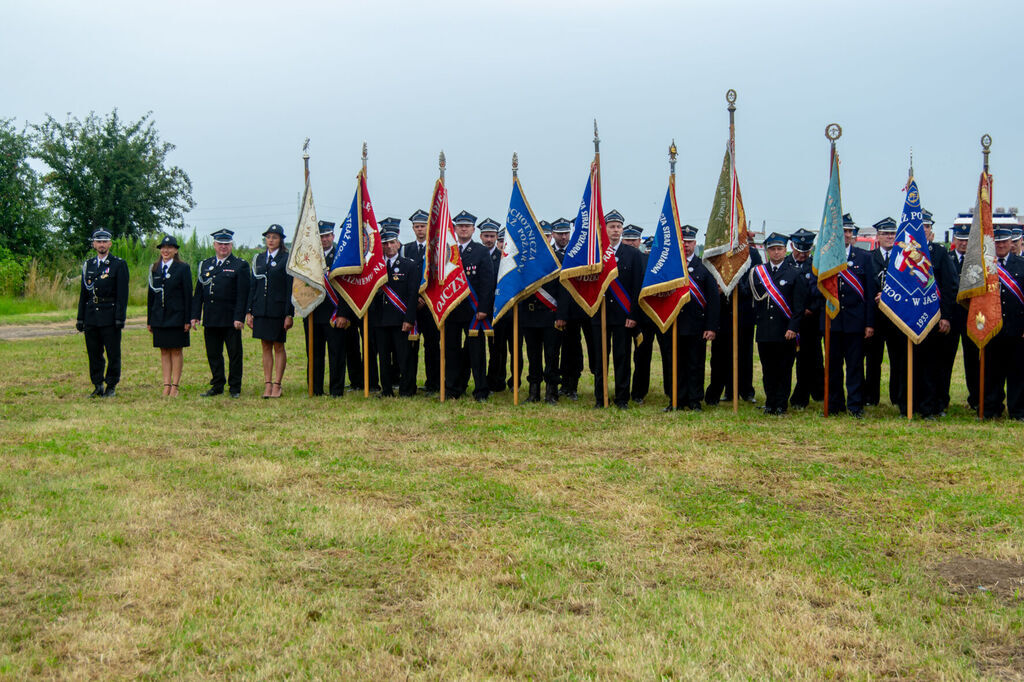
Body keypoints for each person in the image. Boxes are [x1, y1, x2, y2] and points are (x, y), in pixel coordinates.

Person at [819, 214, 875, 418]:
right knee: (833, 366)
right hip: (832, 321)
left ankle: (855, 405)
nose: (848, 234)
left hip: (855, 322)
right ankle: (834, 404)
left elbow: (869, 293)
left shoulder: (864, 258)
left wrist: (869, 323)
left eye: (850, 231)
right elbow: (817, 288)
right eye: (844, 231)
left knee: (855, 366)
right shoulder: (825, 257)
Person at [749, 233, 808, 415]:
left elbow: (799, 306)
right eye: (773, 249)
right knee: (768, 369)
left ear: (786, 250)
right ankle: (770, 402)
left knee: (783, 369)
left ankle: (781, 404)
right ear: (767, 251)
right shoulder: (759, 272)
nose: (776, 253)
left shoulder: (794, 273)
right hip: (765, 330)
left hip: (785, 331)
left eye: (779, 249)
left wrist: (793, 327)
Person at [591, 210, 643, 409]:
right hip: (599, 314)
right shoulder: (596, 252)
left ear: (622, 229)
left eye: (618, 227)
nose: (615, 230)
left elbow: (637, 287)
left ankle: (622, 398)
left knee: (622, 358)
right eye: (611, 226)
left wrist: (633, 315)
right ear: (605, 229)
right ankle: (600, 397)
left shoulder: (633, 254)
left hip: (623, 317)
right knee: (600, 359)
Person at [664, 226, 719, 410]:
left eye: (689, 242)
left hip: (697, 326)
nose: (686, 245)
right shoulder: (670, 266)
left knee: (695, 364)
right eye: (683, 241)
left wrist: (711, 327)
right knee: (675, 364)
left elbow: (713, 300)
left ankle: (695, 400)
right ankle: (676, 400)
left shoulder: (704, 268)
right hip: (674, 324)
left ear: (695, 244)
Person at [191, 228, 250, 398]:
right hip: (211, 316)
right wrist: (195, 315)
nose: (223, 247)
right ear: (214, 245)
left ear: (231, 245)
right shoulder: (205, 264)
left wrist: (239, 317)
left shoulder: (240, 265)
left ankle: (235, 387)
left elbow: (242, 294)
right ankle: (217, 384)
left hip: (230, 318)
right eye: (220, 244)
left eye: (227, 244)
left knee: (234, 354)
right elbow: (198, 293)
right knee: (213, 353)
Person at [705, 234, 760, 406]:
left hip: (743, 312)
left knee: (744, 354)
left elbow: (756, 281)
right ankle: (718, 391)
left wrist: (735, 285)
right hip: (721, 312)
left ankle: (745, 390)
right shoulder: (714, 253)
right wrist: (717, 290)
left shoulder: (751, 253)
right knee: (719, 355)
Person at [912, 215, 958, 419]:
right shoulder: (906, 254)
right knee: (914, 363)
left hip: (935, 318)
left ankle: (931, 406)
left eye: (927, 227)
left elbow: (949, 286)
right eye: (919, 227)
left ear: (931, 231)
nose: (924, 230)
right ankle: (912, 404)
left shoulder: (939, 253)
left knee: (933, 365)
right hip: (912, 317)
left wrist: (946, 316)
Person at [446, 211, 494, 401]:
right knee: (451, 351)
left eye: (467, 226)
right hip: (450, 310)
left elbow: (487, 283)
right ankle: (452, 388)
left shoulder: (481, 252)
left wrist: (483, 308)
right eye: (460, 226)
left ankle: (481, 390)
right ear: (455, 229)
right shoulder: (448, 251)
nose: (463, 229)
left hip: (474, 312)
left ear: (474, 229)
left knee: (477, 353)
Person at [76, 228, 129, 397]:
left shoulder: (118, 264)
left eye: (105, 241)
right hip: (91, 315)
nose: (102, 245)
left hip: (109, 315)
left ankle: (111, 385)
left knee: (113, 353)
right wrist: (80, 318)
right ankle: (97, 384)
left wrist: (120, 317)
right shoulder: (88, 265)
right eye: (98, 242)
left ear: (110, 244)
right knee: (94, 352)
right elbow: (84, 294)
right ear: (93, 244)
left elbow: (122, 295)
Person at [246, 224, 294, 398]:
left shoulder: (286, 258)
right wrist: (249, 311)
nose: (271, 240)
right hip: (261, 308)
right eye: (268, 237)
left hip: (278, 309)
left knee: (278, 345)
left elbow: (290, 288)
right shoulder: (258, 259)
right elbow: (253, 285)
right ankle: (267, 383)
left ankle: (277, 384)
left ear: (281, 239)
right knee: (265, 345)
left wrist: (289, 313)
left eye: (274, 237)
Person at [305, 220, 351, 396]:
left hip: (335, 314)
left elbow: (348, 287)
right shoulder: (309, 259)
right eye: (321, 236)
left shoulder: (342, 257)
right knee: (314, 354)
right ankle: (314, 389)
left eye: (327, 236)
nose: (324, 239)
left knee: (337, 354)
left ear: (333, 236)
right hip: (313, 313)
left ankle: (336, 390)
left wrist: (344, 314)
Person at [371, 227, 418, 397]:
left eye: (392, 242)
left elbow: (413, 295)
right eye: (385, 243)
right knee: (383, 357)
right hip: (380, 319)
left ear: (398, 244)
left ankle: (406, 390)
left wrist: (409, 319)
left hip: (401, 319)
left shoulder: (409, 265)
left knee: (404, 357)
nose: (389, 246)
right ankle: (387, 390)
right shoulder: (375, 267)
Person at [982, 227, 1024, 420]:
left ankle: (1017, 411)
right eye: (997, 243)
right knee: (992, 372)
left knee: (1017, 373)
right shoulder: (985, 266)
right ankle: (991, 409)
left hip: (1017, 327)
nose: (1001, 245)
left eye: (1005, 242)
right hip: (991, 328)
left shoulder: (1021, 264)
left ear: (1011, 243)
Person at [147, 235, 193, 397]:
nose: (166, 250)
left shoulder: (183, 268)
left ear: (175, 250)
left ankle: (175, 385)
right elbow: (151, 296)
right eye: (163, 248)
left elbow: (188, 295)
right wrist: (149, 320)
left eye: (169, 247)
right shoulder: (155, 268)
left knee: (176, 350)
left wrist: (188, 318)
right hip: (159, 316)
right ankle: (166, 384)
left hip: (177, 316)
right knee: (164, 350)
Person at [553, 218, 592, 401]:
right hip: (567, 311)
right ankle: (567, 384)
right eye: (560, 233)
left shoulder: (581, 252)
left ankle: (581, 383)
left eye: (566, 233)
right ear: (553, 234)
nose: (563, 236)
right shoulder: (551, 254)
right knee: (568, 349)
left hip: (587, 308)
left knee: (586, 348)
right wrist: (562, 314)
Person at [865, 217, 901, 407]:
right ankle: (871, 397)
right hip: (875, 317)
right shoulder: (869, 257)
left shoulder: (902, 258)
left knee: (897, 360)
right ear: (878, 236)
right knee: (873, 360)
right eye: (885, 234)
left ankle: (897, 396)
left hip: (897, 318)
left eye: (892, 234)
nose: (889, 237)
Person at [786, 228, 824, 409]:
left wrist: (811, 309)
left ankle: (802, 397)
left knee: (808, 361)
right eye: (799, 250)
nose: (802, 255)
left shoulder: (815, 266)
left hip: (809, 322)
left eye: (806, 251)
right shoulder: (785, 263)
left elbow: (821, 292)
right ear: (792, 246)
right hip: (787, 321)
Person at [403, 209, 439, 394]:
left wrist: (425, 298)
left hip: (430, 307)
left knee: (432, 347)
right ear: (413, 228)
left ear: (428, 227)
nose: (420, 229)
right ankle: (408, 384)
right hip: (411, 307)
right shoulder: (405, 249)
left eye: (423, 226)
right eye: (416, 226)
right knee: (409, 348)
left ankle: (433, 383)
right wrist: (413, 299)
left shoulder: (436, 250)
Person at [623, 224, 655, 405]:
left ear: (639, 241)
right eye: (627, 240)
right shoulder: (618, 258)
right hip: (625, 316)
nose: (630, 243)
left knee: (643, 356)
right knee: (625, 356)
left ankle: (638, 392)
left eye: (634, 240)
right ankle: (623, 390)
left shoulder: (646, 260)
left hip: (645, 317)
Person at [948, 223, 978, 411]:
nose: (963, 243)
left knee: (973, 360)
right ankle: (941, 400)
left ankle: (975, 399)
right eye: (960, 239)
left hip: (972, 317)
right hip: (951, 317)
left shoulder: (977, 261)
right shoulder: (947, 258)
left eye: (967, 240)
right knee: (945, 360)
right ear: (954, 240)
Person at [480, 219, 513, 393]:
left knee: (497, 349)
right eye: (486, 236)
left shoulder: (503, 258)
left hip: (499, 310)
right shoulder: (477, 254)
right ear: (481, 237)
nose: (489, 240)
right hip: (479, 309)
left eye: (492, 236)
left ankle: (496, 381)